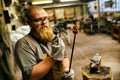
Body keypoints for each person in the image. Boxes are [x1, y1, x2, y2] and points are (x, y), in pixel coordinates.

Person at [14, 6, 74, 80]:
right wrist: (52, 58)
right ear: (29, 23)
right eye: (38, 20)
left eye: (45, 18)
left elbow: (64, 56)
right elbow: (31, 76)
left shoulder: (53, 37)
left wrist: (66, 70)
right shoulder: (23, 44)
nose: (44, 22)